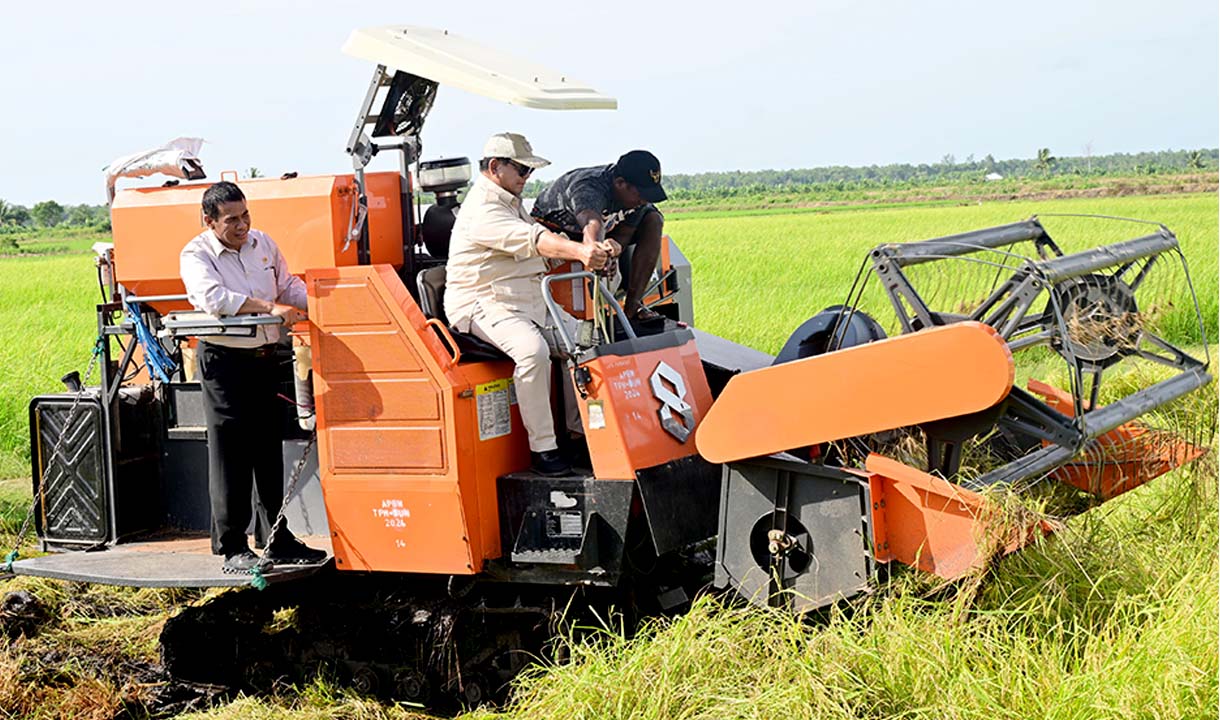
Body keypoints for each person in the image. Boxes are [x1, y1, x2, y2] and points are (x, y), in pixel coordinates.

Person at [445, 133, 616, 476]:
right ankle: (544, 450)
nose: (527, 178)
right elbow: (533, 240)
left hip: (527, 299)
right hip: (482, 302)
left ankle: (580, 434)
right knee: (532, 351)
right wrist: (581, 252)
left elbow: (542, 242)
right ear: (495, 167)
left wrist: (597, 249)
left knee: (587, 341)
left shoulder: (510, 201)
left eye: (529, 172)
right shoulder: (482, 209)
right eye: (522, 170)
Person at [180, 181, 328, 574]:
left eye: (245, 216)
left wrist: (321, 302)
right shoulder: (196, 254)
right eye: (231, 220)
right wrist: (269, 307)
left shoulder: (262, 244)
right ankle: (232, 546)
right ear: (209, 221)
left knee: (267, 448)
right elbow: (213, 299)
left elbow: (287, 285)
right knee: (231, 453)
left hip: (265, 357)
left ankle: (276, 537)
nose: (242, 225)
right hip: (225, 363)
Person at [530, 149, 668, 322]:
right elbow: (591, 223)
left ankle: (633, 306)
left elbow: (625, 232)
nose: (644, 200)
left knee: (654, 219)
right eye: (641, 194)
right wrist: (598, 252)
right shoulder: (588, 187)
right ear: (620, 183)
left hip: (603, 230)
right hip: (558, 232)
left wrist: (612, 254)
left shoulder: (637, 200)